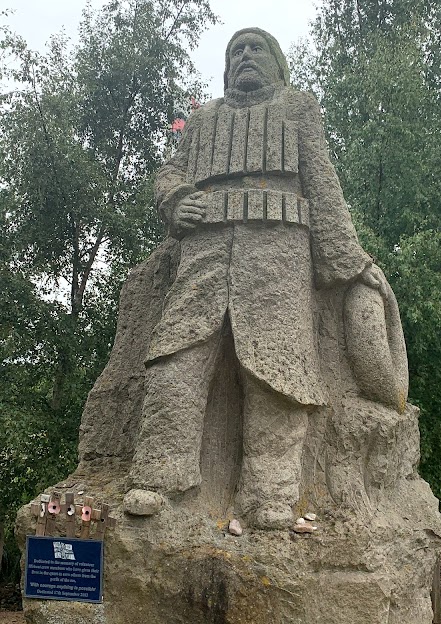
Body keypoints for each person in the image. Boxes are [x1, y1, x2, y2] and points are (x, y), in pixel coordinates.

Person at [124, 28, 388, 528]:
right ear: (226, 69)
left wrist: (352, 263)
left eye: (257, 47)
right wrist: (177, 199)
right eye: (236, 50)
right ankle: (160, 476)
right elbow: (168, 173)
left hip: (277, 256)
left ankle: (271, 494)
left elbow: (322, 183)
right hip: (204, 251)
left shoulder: (298, 108)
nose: (245, 55)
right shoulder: (202, 119)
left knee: (278, 372)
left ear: (278, 64)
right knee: (175, 360)